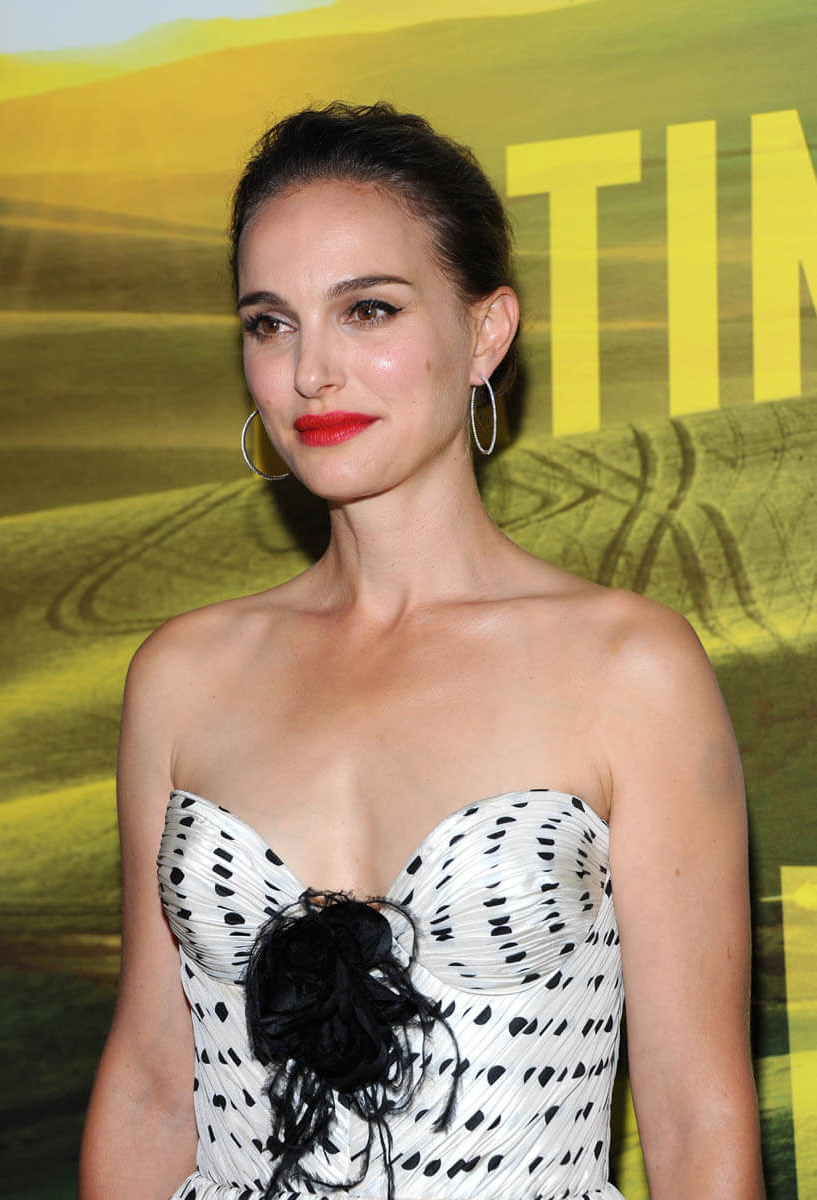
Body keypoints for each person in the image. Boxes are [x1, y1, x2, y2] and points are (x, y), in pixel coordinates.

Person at [79, 102, 763, 1200]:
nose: (312, 372)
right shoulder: (184, 675)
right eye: (271, 323)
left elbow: (696, 1126)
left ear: (486, 333)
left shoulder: (628, 669)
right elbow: (155, 1088)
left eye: (369, 310)